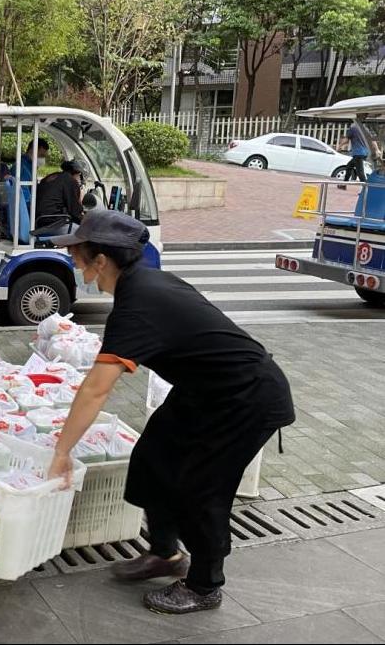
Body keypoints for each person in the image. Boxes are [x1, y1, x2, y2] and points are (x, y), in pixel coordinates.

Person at [47, 210, 295, 615]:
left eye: (78, 256)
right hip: (204, 391)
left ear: (101, 261)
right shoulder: (140, 286)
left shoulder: (139, 302)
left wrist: (62, 451)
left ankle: (204, 586)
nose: (75, 264)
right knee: (153, 457)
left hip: (246, 398)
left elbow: (96, 389)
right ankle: (165, 553)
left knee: (201, 489)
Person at [34, 159, 86, 236]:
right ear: (78, 173)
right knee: (86, 233)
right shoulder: (70, 181)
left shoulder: (52, 176)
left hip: (38, 222)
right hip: (52, 224)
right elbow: (75, 212)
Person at [9, 138, 50, 204]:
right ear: (32, 150)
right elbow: (24, 197)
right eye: (41, 156)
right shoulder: (22, 167)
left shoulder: (30, 166)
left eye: (44, 157)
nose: (42, 159)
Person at [337, 123, 370, 189]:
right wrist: (377, 149)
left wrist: (339, 146)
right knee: (349, 166)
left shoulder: (353, 129)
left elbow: (346, 140)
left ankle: (366, 189)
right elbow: (371, 140)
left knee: (360, 172)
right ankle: (344, 185)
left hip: (358, 153)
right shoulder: (366, 129)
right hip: (364, 153)